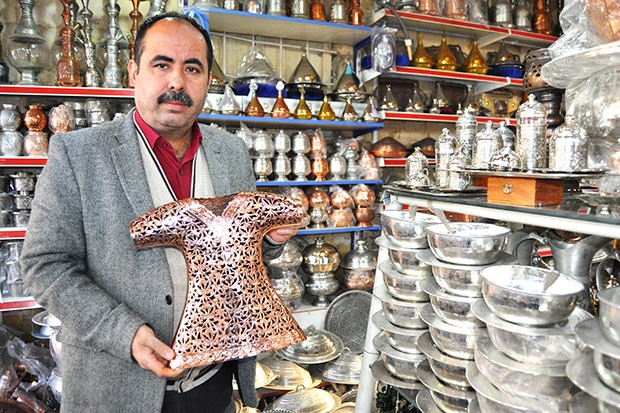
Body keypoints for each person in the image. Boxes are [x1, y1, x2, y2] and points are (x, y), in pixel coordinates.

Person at [21, 11, 298, 413]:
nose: (177, 82)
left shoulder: (231, 152)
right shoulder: (78, 154)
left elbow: (243, 251)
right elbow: (44, 265)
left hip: (214, 386)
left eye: (192, 68)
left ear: (208, 80)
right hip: (116, 391)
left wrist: (269, 239)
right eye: (162, 64)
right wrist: (125, 333)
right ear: (134, 72)